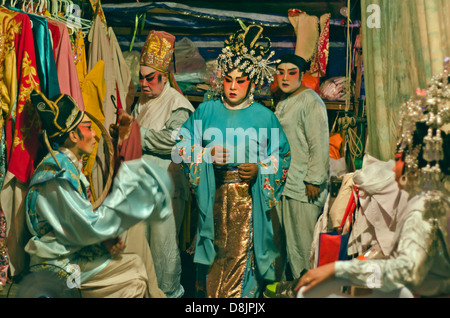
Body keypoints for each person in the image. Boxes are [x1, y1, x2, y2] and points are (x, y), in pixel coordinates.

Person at [294, 64, 450, 298]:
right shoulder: (434, 197)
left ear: (414, 166)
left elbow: (406, 271)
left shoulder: (423, 209)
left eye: (398, 160)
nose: (393, 167)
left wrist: (338, 270)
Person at [175, 24, 291, 298]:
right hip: (211, 196)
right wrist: (206, 155)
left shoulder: (265, 117)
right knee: (213, 261)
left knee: (242, 261)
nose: (234, 86)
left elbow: (282, 157)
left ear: (251, 82)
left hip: (247, 200)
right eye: (229, 79)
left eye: (241, 80)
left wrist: (260, 170)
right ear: (221, 79)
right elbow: (180, 147)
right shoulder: (205, 111)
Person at [24, 90, 173, 298]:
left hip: (71, 254)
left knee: (137, 265)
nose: (94, 134)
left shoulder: (67, 166)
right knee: (135, 278)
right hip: (60, 267)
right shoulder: (58, 176)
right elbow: (87, 225)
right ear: (74, 136)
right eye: (87, 128)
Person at [113, 30, 195, 298]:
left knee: (163, 248)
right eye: (141, 77)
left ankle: (167, 293)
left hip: (166, 189)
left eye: (151, 78)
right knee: (140, 245)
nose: (145, 83)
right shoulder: (144, 100)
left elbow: (176, 143)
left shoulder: (177, 104)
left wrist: (137, 134)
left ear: (165, 76)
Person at [273, 54, 329, 279]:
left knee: (303, 248)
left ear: (302, 75)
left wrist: (314, 180)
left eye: (292, 72)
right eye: (280, 72)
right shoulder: (284, 100)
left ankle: (308, 291)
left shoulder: (311, 101)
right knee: (284, 246)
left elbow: (319, 142)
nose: (285, 77)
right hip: (284, 183)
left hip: (304, 186)